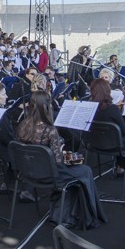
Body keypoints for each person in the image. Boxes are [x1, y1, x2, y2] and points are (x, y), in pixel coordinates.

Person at [16, 90, 105, 229]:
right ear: (47, 106)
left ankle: (64, 212)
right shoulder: (50, 130)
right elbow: (58, 161)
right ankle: (82, 216)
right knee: (85, 170)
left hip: (29, 173)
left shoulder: (23, 125)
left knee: (78, 164)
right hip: (50, 175)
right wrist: (71, 155)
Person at [89, 78, 125, 183]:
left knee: (122, 139)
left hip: (94, 143)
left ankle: (120, 167)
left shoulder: (89, 107)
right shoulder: (113, 109)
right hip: (113, 146)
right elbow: (124, 131)